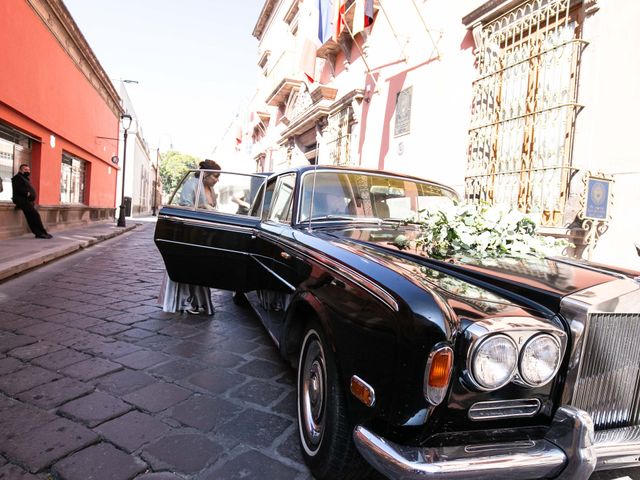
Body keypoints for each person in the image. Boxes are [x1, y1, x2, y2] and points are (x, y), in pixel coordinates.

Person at [159, 159, 220, 315]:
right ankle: (184, 302)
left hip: (204, 234)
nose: (217, 180)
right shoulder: (191, 184)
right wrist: (203, 207)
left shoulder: (211, 189)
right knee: (186, 266)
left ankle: (198, 301)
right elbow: (185, 206)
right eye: (215, 176)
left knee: (201, 268)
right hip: (190, 233)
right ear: (205, 174)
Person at [11, 164, 52, 239]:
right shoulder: (16, 178)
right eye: (25, 170)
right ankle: (39, 233)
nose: (27, 171)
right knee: (34, 216)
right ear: (20, 170)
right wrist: (27, 193)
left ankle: (42, 232)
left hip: (28, 201)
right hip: (23, 201)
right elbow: (18, 189)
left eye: (28, 170)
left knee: (34, 216)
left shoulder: (25, 178)